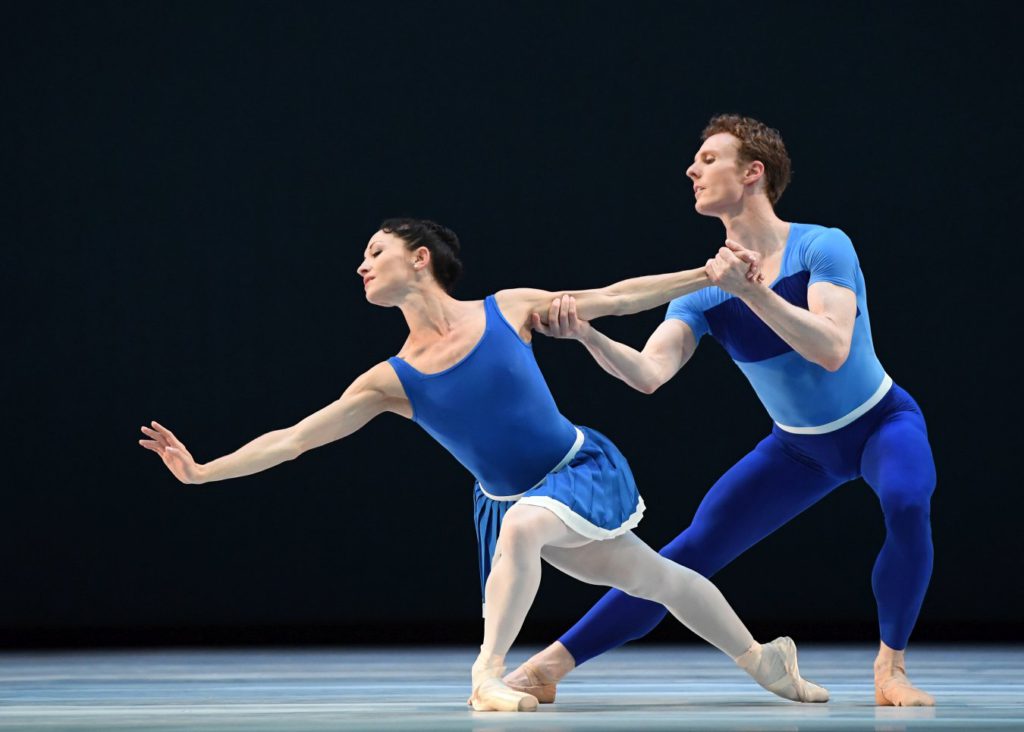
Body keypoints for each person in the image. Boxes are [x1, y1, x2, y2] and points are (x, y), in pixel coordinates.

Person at [139, 217, 828, 712]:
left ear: (419, 258)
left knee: (627, 567)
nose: (361, 265)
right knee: (653, 575)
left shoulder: (509, 309)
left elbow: (616, 297)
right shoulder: (391, 380)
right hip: (509, 499)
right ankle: (766, 658)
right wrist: (204, 471)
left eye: (374, 252)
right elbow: (293, 439)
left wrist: (709, 278)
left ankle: (487, 674)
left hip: (576, 474)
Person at [505, 115, 937, 707]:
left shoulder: (821, 245)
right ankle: (550, 665)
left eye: (709, 159)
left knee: (908, 502)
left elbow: (833, 350)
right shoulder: (703, 291)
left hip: (880, 423)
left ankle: (891, 668)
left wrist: (752, 291)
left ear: (753, 173)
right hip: (798, 451)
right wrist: (587, 335)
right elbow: (649, 375)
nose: (692, 169)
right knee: (689, 552)